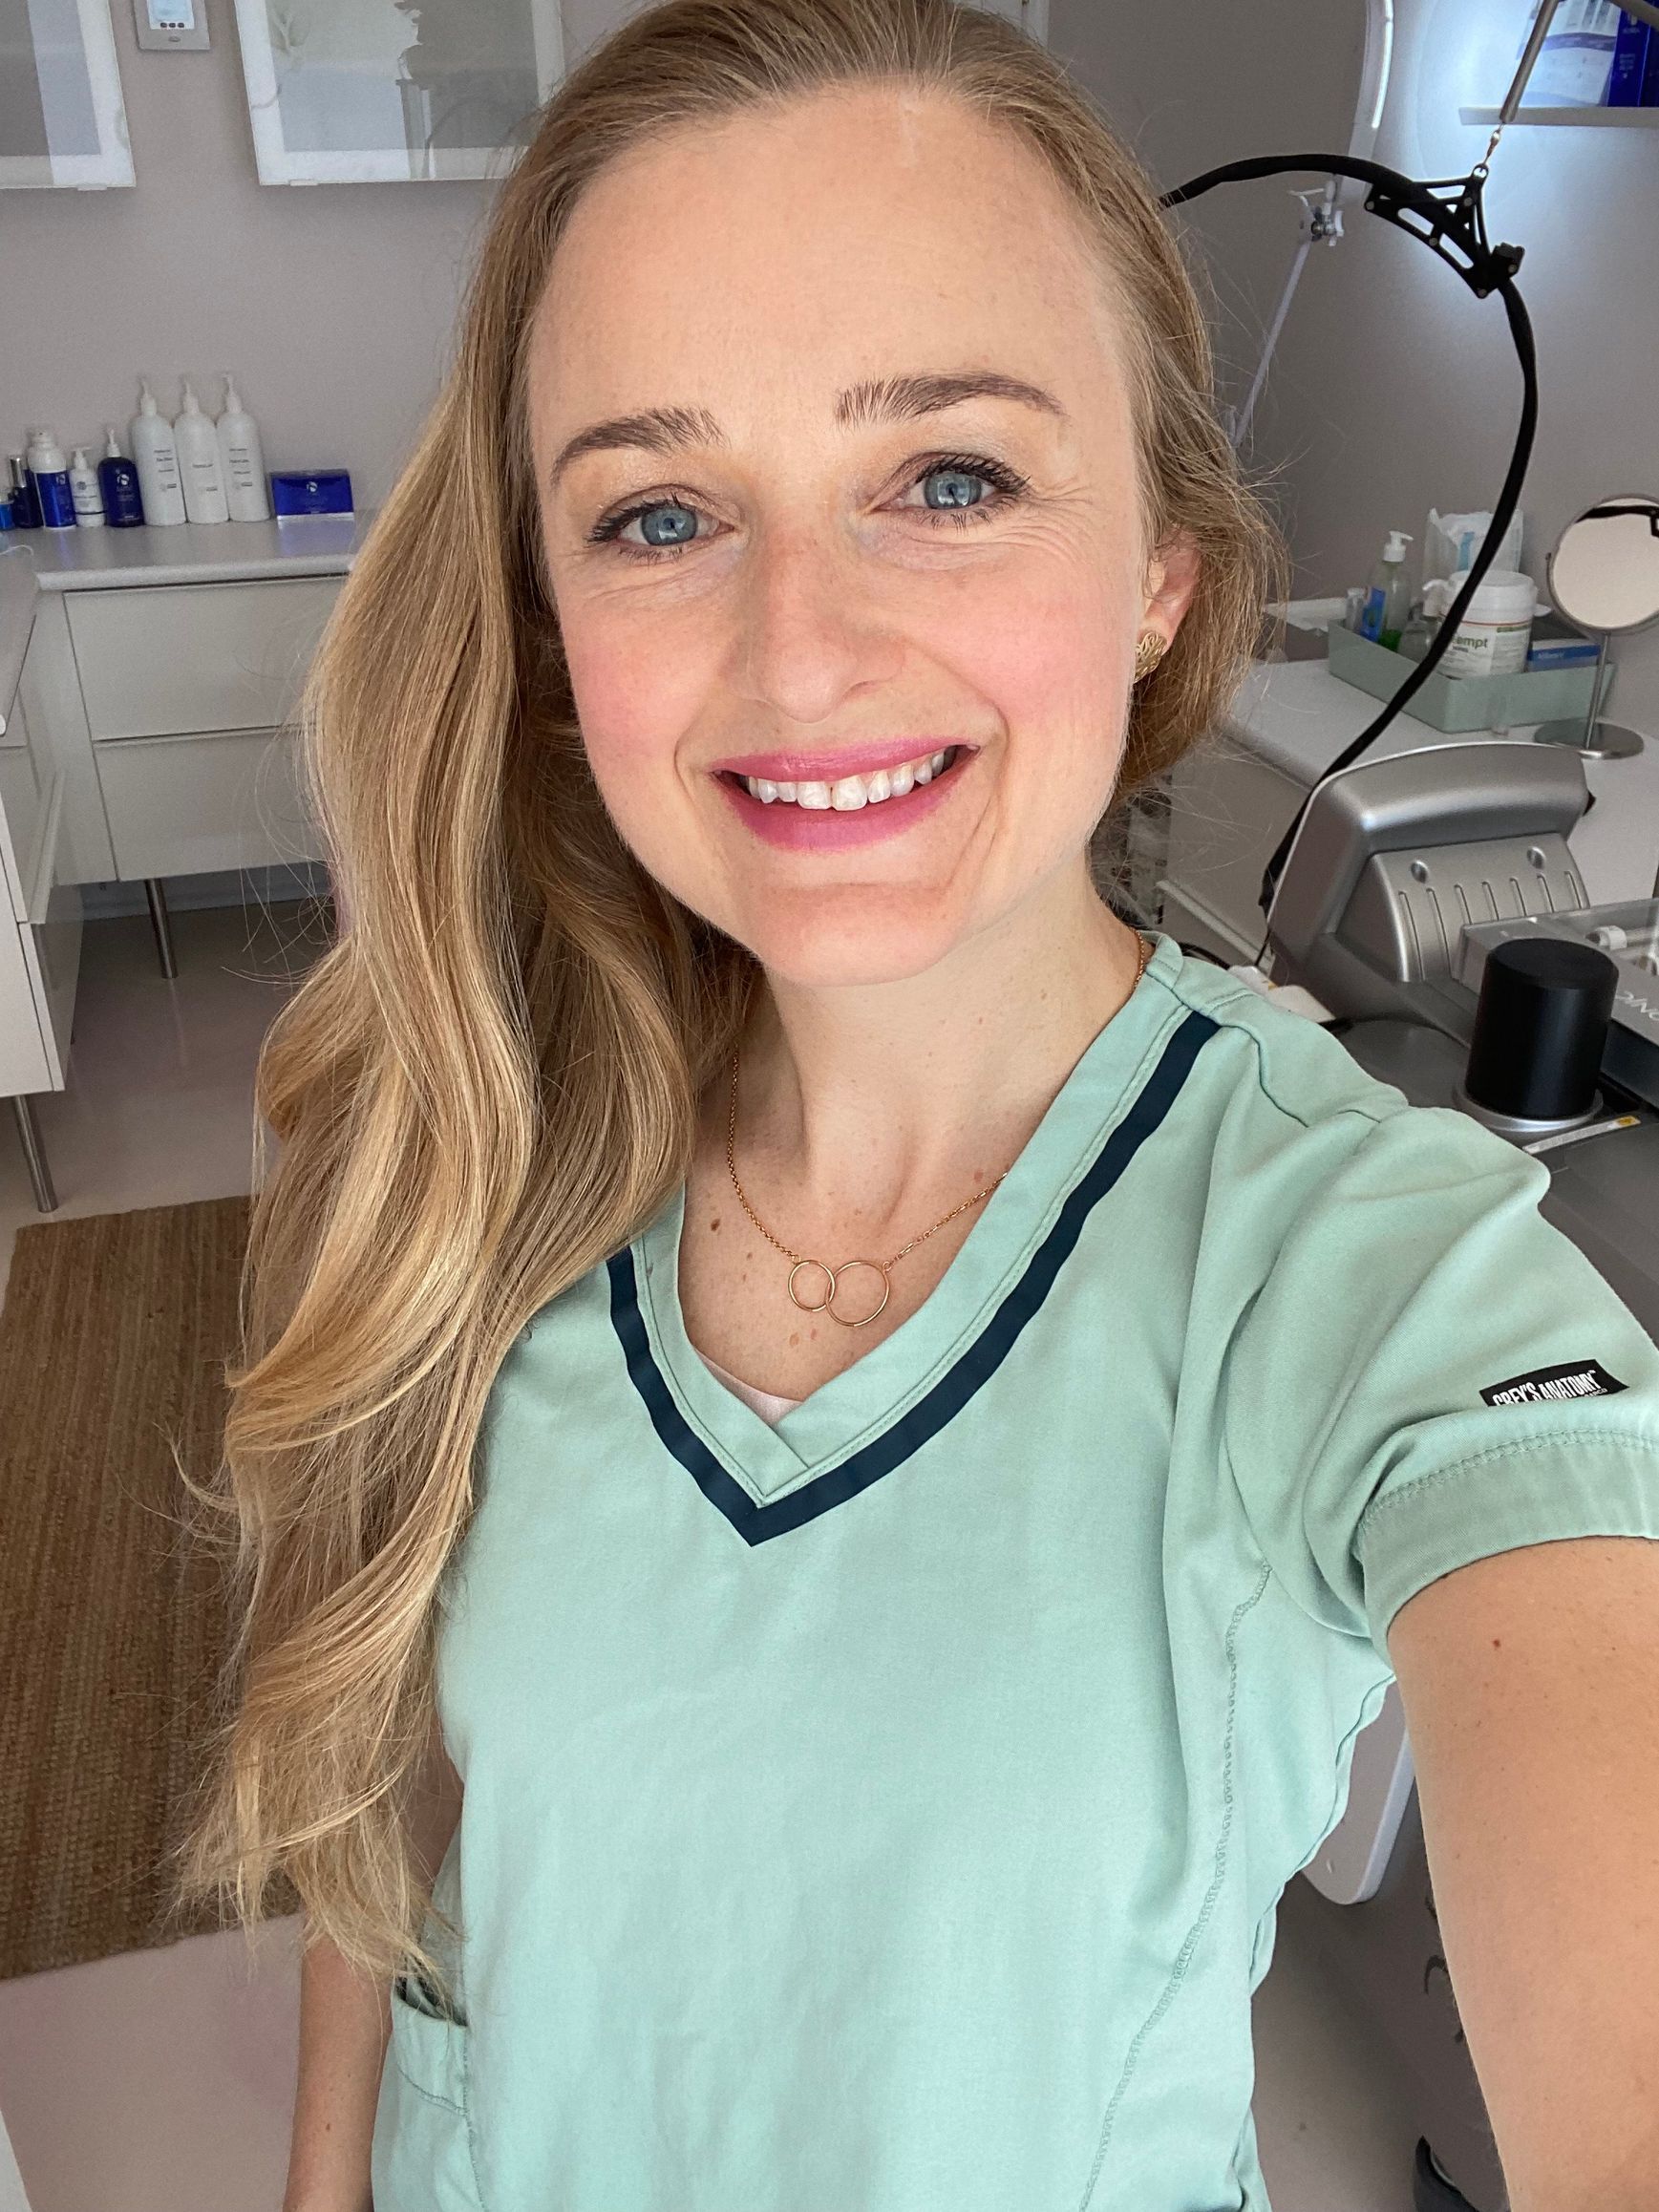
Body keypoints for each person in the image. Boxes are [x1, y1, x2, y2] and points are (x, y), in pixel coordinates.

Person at [174, 4, 1659, 2208]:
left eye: (945, 479)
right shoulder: (469, 1143)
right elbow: (394, 1835)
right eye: (659, 513)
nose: (797, 650)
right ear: (549, 620)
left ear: (1158, 565)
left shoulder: (1367, 1284)